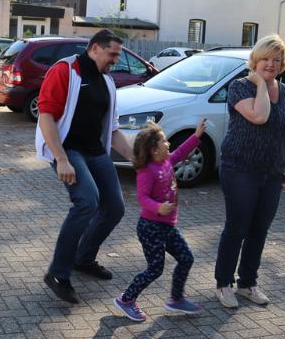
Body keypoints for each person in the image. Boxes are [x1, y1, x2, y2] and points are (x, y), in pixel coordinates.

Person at [36, 29, 134, 304]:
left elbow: (112, 130)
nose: (115, 60)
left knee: (115, 207)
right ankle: (58, 273)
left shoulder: (107, 81)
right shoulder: (66, 70)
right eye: (112, 54)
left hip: (95, 151)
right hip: (68, 150)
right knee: (87, 202)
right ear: (94, 49)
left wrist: (135, 156)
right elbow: (46, 117)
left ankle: (83, 258)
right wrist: (61, 159)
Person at [214, 35, 285, 308]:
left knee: (259, 230)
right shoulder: (239, 87)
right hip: (239, 169)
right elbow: (260, 116)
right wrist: (261, 84)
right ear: (255, 60)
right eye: (266, 58)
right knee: (237, 228)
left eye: (277, 59)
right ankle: (223, 284)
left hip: (272, 173)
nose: (271, 64)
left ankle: (248, 283)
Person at [113, 120, 206, 321]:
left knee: (186, 258)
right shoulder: (147, 171)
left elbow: (180, 152)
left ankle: (176, 298)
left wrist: (196, 136)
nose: (168, 145)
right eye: (164, 142)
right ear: (154, 150)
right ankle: (126, 299)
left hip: (167, 226)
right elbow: (142, 198)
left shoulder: (166, 162)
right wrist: (158, 207)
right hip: (150, 227)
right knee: (155, 268)